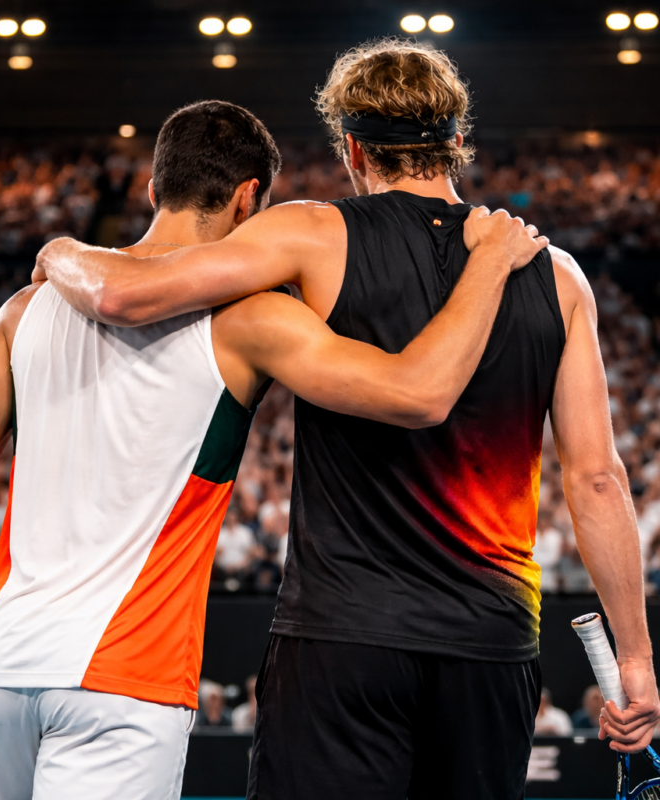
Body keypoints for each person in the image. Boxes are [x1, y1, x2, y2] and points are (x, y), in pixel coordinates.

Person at [0, 100, 541, 800]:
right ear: (251, 199)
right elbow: (416, 392)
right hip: (129, 678)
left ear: (154, 190)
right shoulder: (254, 319)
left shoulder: (24, 311)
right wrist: (486, 265)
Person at [35, 39, 660, 799]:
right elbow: (597, 481)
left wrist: (61, 249)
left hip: (341, 641)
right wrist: (635, 663)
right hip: (492, 644)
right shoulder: (557, 276)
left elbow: (126, 293)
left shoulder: (312, 234)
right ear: (457, 142)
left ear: (353, 149)